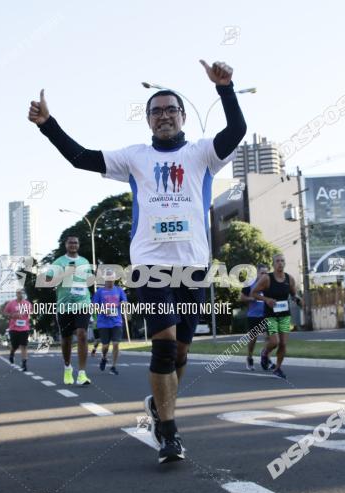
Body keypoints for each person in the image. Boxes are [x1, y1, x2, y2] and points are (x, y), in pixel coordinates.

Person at [29, 59, 247, 463]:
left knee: (181, 354)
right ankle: (168, 433)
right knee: (163, 350)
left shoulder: (202, 153)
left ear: (182, 117)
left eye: (170, 110)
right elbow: (81, 157)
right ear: (148, 120)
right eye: (156, 111)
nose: (164, 116)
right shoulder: (134, 157)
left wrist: (225, 88)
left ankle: (159, 408)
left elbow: (236, 131)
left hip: (194, 268)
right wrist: (48, 125)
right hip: (149, 266)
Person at [47, 235, 93, 385]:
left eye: (75, 242)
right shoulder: (58, 262)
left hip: (83, 303)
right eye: (70, 242)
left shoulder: (84, 262)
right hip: (64, 305)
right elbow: (48, 281)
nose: (73, 245)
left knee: (82, 334)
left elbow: (89, 281)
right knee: (66, 339)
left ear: (78, 245)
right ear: (66, 245)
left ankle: (82, 373)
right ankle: (67, 368)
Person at [251, 254, 303, 379]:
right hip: (271, 315)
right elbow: (254, 293)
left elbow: (293, 294)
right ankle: (265, 353)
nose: (280, 263)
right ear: (273, 264)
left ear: (284, 263)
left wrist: (298, 300)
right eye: (277, 261)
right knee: (274, 342)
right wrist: (266, 299)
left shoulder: (289, 279)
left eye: (282, 261)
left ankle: (278, 368)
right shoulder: (267, 279)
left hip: (284, 315)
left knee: (283, 343)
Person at [91, 272, 128, 375]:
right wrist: (103, 310)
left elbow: (125, 301)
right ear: (105, 280)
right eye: (108, 280)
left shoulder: (119, 290)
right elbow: (94, 306)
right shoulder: (99, 292)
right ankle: (104, 357)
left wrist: (123, 303)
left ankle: (113, 366)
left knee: (116, 344)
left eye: (112, 279)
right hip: (103, 323)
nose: (110, 281)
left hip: (117, 321)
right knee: (105, 346)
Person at [239, 263, 269, 371]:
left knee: (269, 338)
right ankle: (250, 358)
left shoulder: (268, 284)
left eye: (266, 273)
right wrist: (250, 299)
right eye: (262, 273)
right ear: (257, 273)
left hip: (266, 315)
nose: (264, 275)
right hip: (253, 316)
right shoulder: (250, 284)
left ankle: (265, 356)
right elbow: (241, 297)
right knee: (253, 340)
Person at [3, 289, 33, 371]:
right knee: (15, 345)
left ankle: (24, 363)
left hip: (24, 328)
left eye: (22, 293)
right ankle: (12, 354)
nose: (21, 294)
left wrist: (28, 314)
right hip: (14, 328)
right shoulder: (11, 303)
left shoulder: (27, 304)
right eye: (19, 293)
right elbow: (5, 313)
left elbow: (31, 312)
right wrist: (12, 315)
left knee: (24, 345)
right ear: (16, 294)